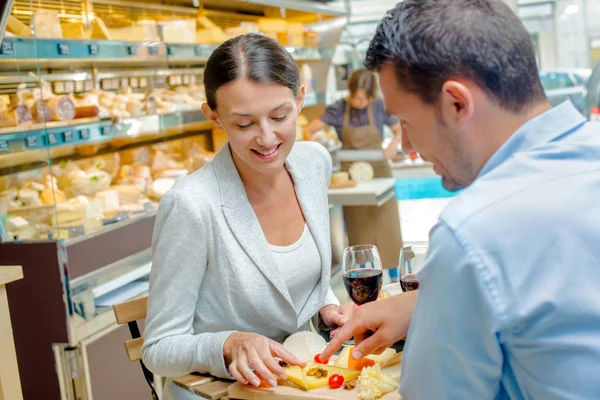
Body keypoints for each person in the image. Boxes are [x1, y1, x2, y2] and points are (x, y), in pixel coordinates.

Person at [322, 0, 600, 399]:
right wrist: (423, 303)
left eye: (406, 122)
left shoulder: (473, 232)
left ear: (457, 103)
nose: (406, 146)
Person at [142, 33, 355, 400]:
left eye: (279, 115)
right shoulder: (192, 205)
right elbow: (158, 349)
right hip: (227, 392)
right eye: (245, 124)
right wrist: (229, 344)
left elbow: (303, 286)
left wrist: (328, 308)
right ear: (214, 117)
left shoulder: (312, 163)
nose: (267, 138)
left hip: (306, 379)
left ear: (300, 99)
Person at [304, 69, 404, 281]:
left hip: (380, 173)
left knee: (388, 227)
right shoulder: (339, 108)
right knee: (360, 230)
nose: (361, 102)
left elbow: (399, 130)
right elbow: (309, 130)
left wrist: (394, 145)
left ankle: (395, 278)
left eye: (365, 98)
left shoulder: (378, 106)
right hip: (353, 178)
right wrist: (321, 148)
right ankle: (367, 278)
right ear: (350, 92)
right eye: (357, 97)